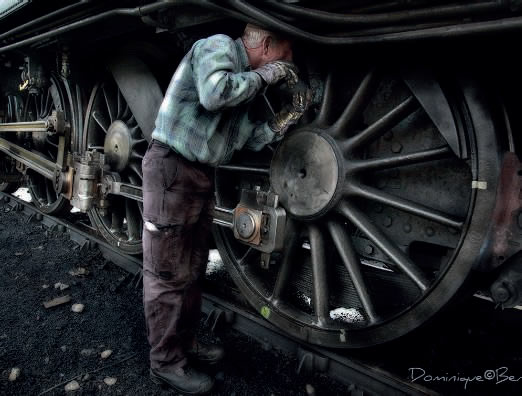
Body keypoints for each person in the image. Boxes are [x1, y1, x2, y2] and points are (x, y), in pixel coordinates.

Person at [141, 23, 310, 394]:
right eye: (286, 53)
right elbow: (214, 94)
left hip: (199, 175)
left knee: (193, 267)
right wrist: (269, 75)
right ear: (266, 45)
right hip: (172, 167)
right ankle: (165, 363)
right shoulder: (216, 47)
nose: (289, 62)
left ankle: (183, 345)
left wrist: (284, 120)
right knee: (167, 272)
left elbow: (247, 139)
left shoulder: (246, 83)